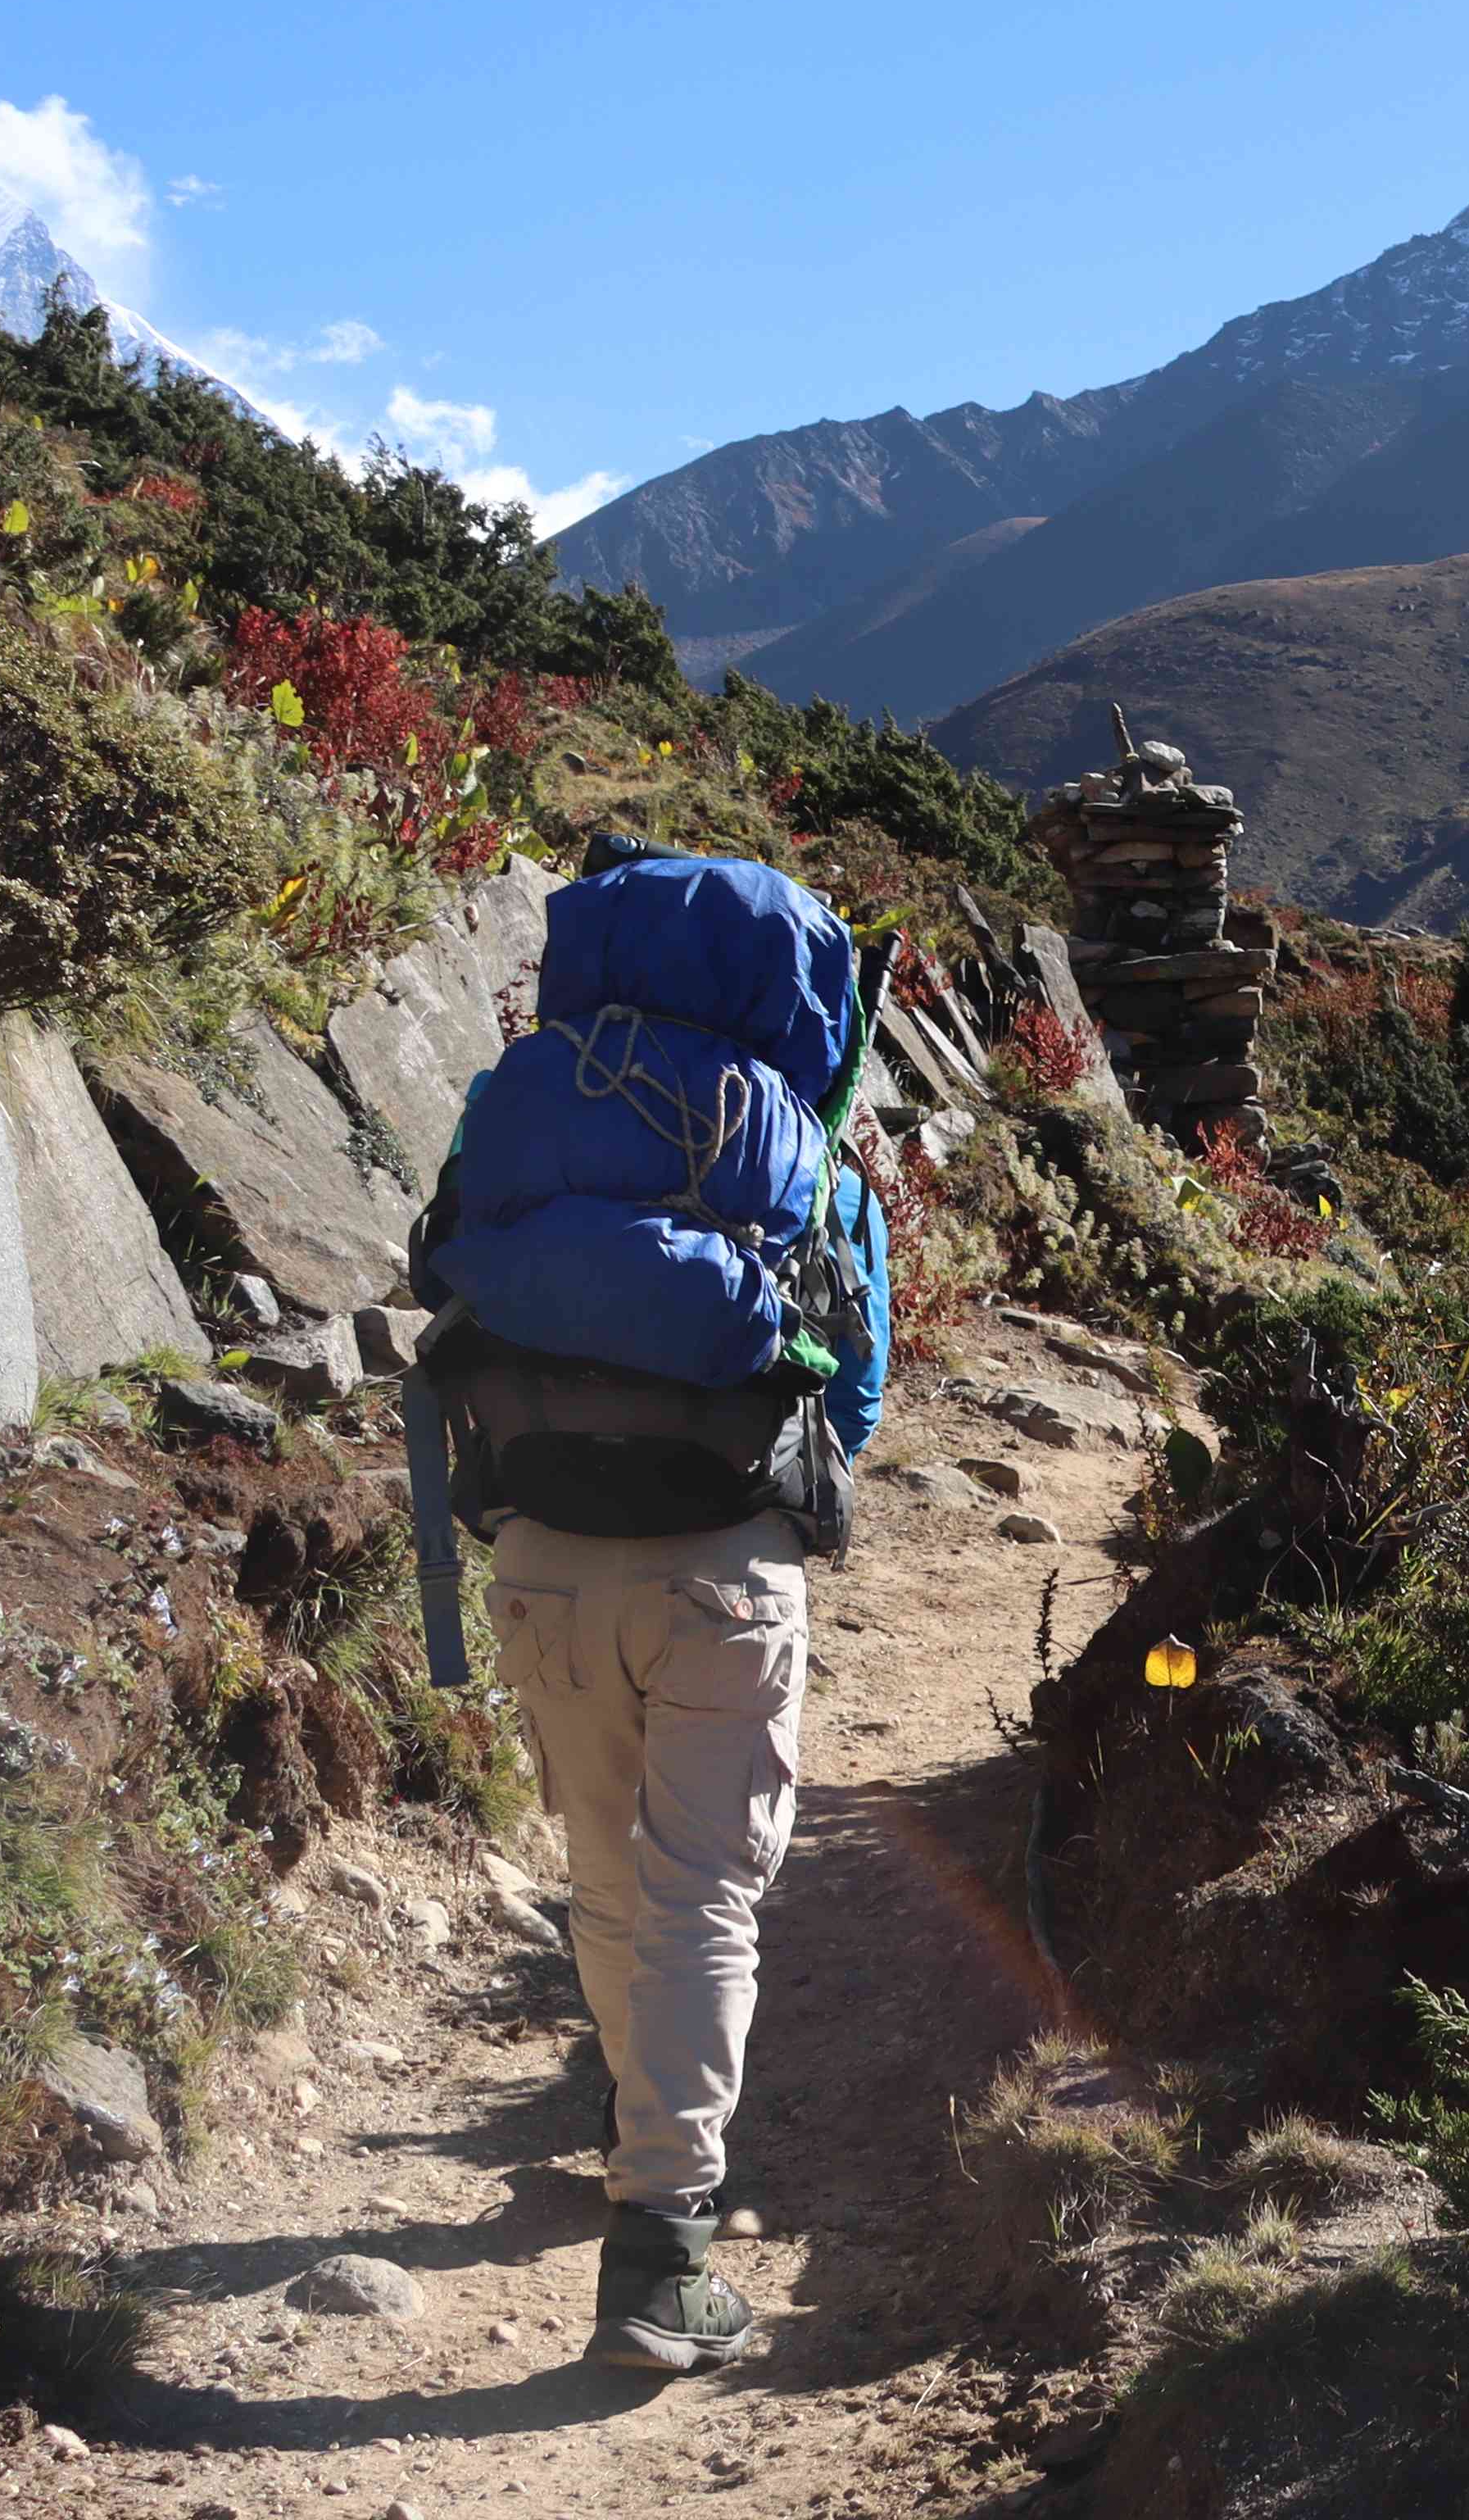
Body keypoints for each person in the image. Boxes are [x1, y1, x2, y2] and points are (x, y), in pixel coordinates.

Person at [403, 848, 893, 2375]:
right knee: (704, 1897)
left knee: (606, 1877)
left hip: (539, 1553)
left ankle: (638, 2133)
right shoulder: (797, 1147)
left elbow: (440, 1271)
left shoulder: (525, 1103)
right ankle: (663, 2247)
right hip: (720, 1566)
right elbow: (855, 1386)